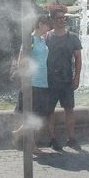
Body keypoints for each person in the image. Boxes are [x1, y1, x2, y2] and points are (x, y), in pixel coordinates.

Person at [13, 15, 54, 154]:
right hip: (32, 82)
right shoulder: (29, 39)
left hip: (43, 82)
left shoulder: (43, 40)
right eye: (48, 25)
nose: (49, 27)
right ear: (40, 24)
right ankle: (29, 143)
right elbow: (21, 60)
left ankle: (21, 136)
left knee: (38, 115)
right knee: (34, 116)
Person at [45, 6, 82, 151]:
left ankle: (71, 138)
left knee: (69, 109)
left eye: (63, 18)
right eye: (59, 18)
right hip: (50, 79)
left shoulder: (72, 37)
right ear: (53, 20)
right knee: (50, 111)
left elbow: (78, 58)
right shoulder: (47, 36)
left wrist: (77, 77)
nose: (62, 20)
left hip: (67, 79)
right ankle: (52, 138)